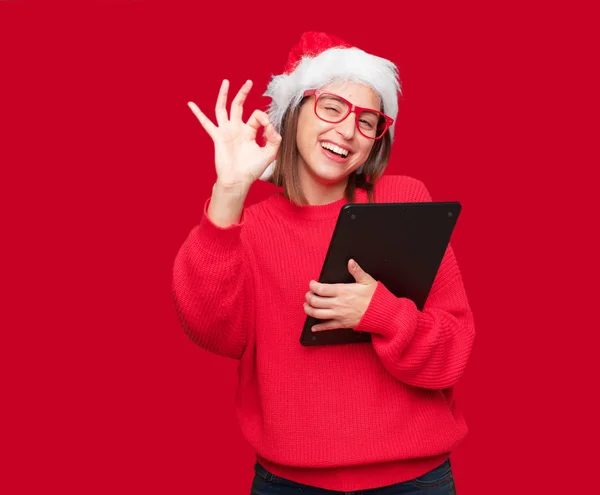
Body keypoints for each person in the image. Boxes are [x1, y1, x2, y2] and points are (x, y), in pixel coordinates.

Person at [173, 31, 475, 494]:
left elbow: (451, 353)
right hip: (289, 484)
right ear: (294, 113)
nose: (348, 131)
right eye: (332, 108)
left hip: (414, 483)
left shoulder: (405, 202)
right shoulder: (248, 228)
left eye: (368, 120)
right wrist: (229, 193)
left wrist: (380, 313)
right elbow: (212, 331)